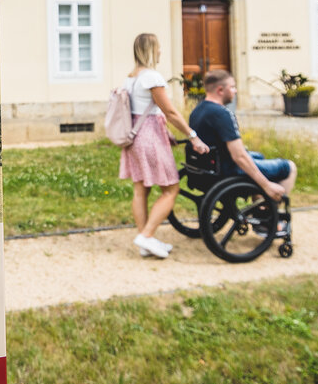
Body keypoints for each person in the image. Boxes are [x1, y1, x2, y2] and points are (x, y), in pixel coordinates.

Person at [119, 33, 210, 259]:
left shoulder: (130, 78)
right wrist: (193, 136)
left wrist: (166, 131)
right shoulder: (152, 77)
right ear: (151, 50)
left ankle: (145, 242)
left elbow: (144, 111)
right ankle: (146, 236)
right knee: (171, 189)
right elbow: (170, 112)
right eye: (158, 47)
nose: (160, 51)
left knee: (141, 190)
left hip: (134, 136)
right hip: (149, 138)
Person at [189, 69, 297, 201]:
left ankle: (260, 204)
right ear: (220, 90)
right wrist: (267, 185)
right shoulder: (222, 114)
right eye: (232, 87)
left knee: (259, 156)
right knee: (289, 167)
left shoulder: (197, 110)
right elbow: (239, 156)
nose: (235, 91)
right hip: (227, 170)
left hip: (207, 169)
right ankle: (270, 209)